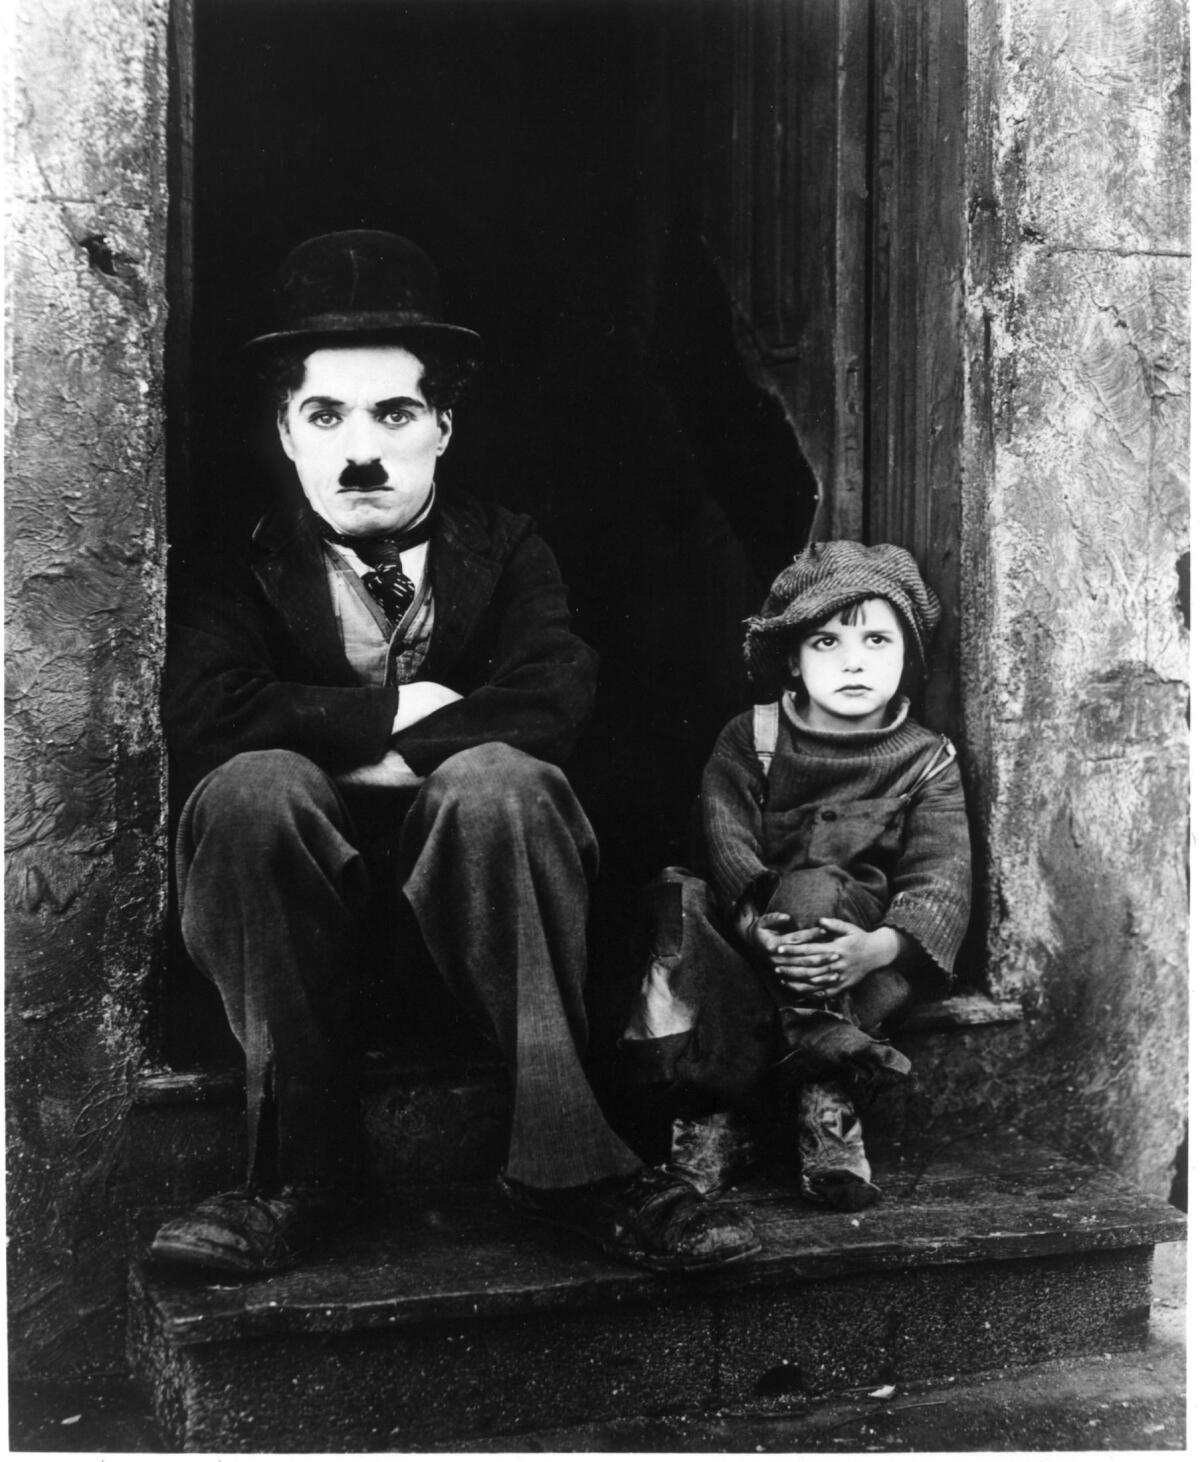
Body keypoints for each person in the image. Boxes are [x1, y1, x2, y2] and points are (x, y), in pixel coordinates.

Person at [149, 230, 759, 1276]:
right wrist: (395, 718)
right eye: (325, 415)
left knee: (502, 783)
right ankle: (300, 1174)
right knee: (253, 789)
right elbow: (210, 712)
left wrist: (407, 752)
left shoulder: (507, 544)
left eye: (393, 413)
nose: (359, 450)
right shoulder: (237, 560)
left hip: (498, 927)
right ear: (286, 433)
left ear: (443, 424)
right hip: (296, 943)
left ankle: (576, 1164)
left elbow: (553, 699)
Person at [619, 540, 972, 1209]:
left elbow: (940, 877)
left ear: (910, 657)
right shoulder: (750, 738)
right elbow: (724, 846)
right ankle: (722, 1112)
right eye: (825, 644)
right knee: (675, 897)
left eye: (876, 640)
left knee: (813, 885)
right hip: (749, 948)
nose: (854, 663)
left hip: (846, 961)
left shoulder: (925, 760)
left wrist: (873, 949)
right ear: (791, 657)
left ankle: (826, 1103)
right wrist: (757, 931)